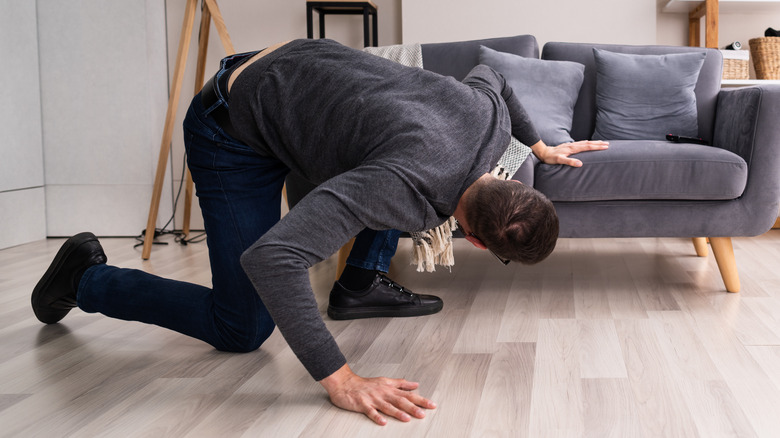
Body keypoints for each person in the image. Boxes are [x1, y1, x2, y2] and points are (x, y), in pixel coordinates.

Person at [31, 39, 607, 425]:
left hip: (294, 74)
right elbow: (273, 259)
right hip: (232, 129)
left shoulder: (489, 118)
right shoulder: (401, 185)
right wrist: (341, 379)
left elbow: (496, 76)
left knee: (396, 198)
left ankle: (358, 285)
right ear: (478, 242)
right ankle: (86, 277)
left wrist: (538, 145)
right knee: (244, 326)